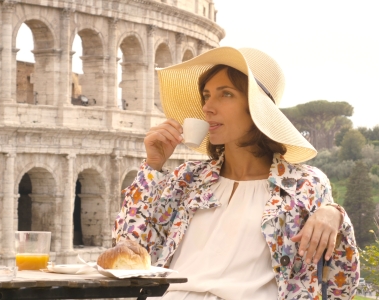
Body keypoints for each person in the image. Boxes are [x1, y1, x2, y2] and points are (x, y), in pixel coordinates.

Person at [112, 47, 359, 300]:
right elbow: (131, 250)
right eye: (206, 95)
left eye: (226, 94)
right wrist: (152, 167)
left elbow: (342, 282)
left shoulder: (304, 185)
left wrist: (335, 215)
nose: (207, 107)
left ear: (256, 109)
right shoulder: (187, 179)